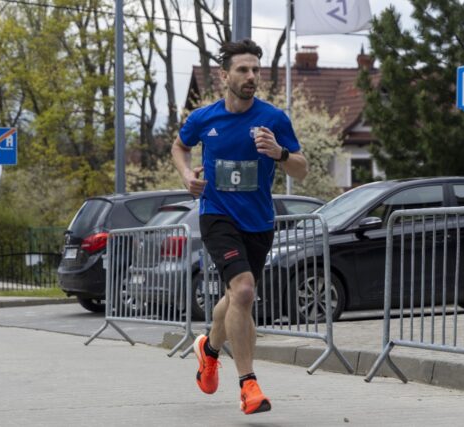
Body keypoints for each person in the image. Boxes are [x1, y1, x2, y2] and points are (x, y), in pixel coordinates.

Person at [171, 39, 308, 415]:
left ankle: (209, 349)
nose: (251, 77)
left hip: (259, 220)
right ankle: (248, 385)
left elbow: (301, 166)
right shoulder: (205, 118)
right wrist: (187, 176)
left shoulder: (274, 119)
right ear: (224, 75)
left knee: (236, 297)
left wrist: (279, 153)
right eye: (243, 70)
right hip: (217, 214)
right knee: (245, 291)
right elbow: (178, 147)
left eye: (256, 70)